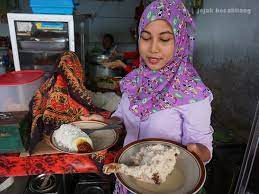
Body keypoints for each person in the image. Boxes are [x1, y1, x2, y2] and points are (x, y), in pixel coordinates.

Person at [82, 0, 213, 193]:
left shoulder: (193, 94)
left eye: (165, 39)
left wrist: (196, 150)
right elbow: (122, 118)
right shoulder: (134, 80)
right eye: (145, 37)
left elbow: (205, 150)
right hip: (127, 178)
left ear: (181, 40)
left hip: (164, 184)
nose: (153, 48)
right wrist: (106, 123)